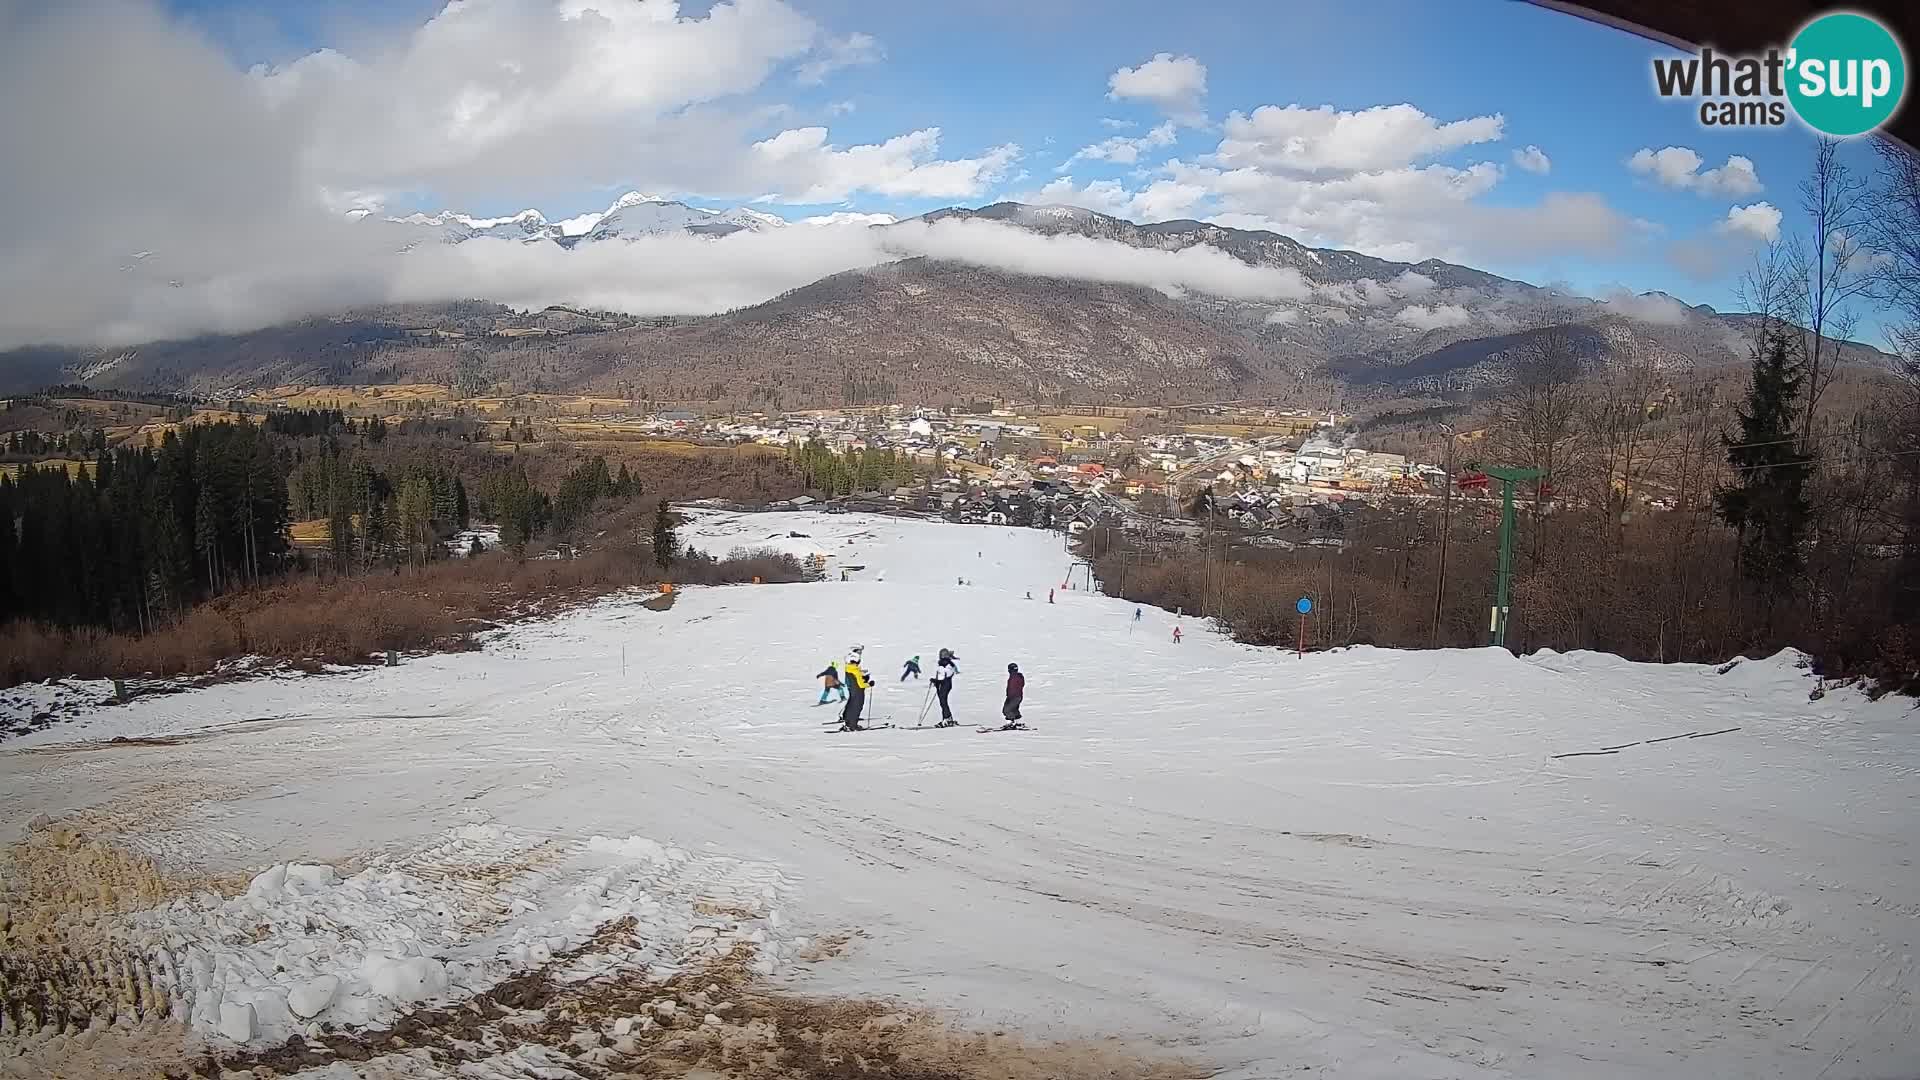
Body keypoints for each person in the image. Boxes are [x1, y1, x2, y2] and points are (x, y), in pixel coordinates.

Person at [841, 647, 872, 731]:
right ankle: (853, 725)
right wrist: (869, 684)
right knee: (857, 707)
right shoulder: (856, 671)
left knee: (851, 704)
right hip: (858, 691)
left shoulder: (849, 668)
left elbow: (856, 679)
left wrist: (863, 677)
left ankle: (848, 721)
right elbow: (861, 685)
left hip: (852, 689)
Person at [931, 648, 959, 726]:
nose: (941, 656)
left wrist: (937, 681)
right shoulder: (942, 664)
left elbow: (946, 676)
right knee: (942, 702)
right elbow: (941, 675)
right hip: (942, 685)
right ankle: (947, 718)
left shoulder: (948, 664)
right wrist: (936, 681)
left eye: (942, 655)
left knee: (943, 702)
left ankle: (947, 719)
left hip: (946, 684)